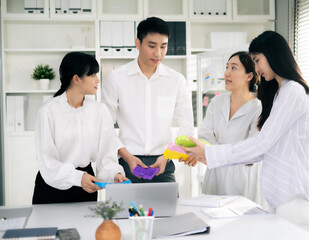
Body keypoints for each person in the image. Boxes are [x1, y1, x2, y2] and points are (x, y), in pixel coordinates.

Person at [182, 31, 309, 231]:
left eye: (257, 60)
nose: (256, 68)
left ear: (273, 55)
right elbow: (264, 148)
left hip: (291, 192)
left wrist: (209, 153)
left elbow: (261, 144)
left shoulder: (293, 91)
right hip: (278, 191)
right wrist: (206, 152)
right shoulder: (281, 92)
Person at [101, 17, 194, 183]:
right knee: (127, 209)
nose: (158, 53)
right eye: (152, 46)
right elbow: (105, 126)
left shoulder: (176, 80)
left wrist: (167, 156)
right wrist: (128, 157)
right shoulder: (117, 78)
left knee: (169, 209)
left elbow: (186, 126)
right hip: (127, 163)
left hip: (164, 162)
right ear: (138, 43)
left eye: (163, 46)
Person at [32, 52, 128, 204]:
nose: (98, 80)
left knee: (86, 227)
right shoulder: (48, 111)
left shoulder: (99, 110)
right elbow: (47, 161)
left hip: (86, 186)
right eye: (92, 75)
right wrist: (77, 177)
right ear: (76, 79)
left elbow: (106, 152)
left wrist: (114, 174)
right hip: (52, 187)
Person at [184, 51, 268, 209]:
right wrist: (203, 152)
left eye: (234, 68)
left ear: (249, 76)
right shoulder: (217, 102)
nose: (227, 73)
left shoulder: (258, 108)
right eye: (227, 67)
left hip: (243, 179)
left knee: (241, 225)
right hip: (215, 175)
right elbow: (205, 136)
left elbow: (252, 149)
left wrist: (211, 152)